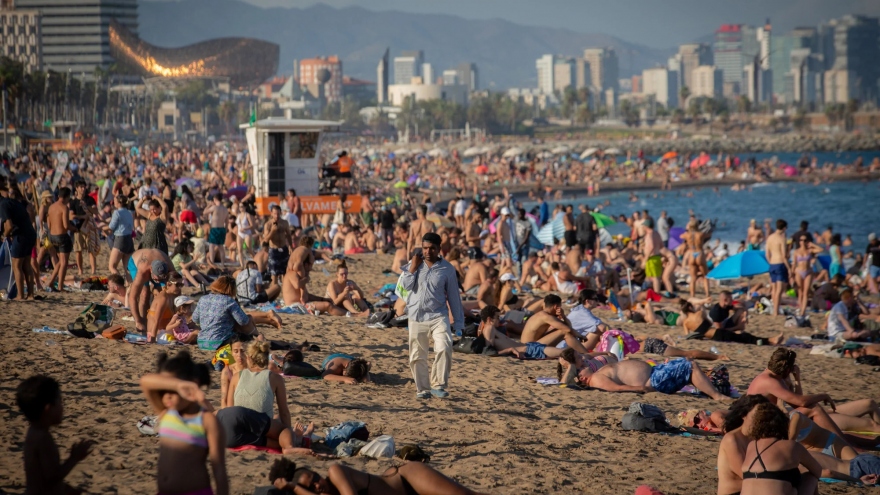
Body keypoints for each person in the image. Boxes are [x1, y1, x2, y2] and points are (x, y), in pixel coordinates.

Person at [139, 351, 229, 495]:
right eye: (164, 390)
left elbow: (219, 470)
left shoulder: (206, 420)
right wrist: (178, 385)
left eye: (172, 390)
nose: (166, 395)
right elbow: (145, 381)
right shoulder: (166, 412)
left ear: (193, 383)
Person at [747, 348, 880, 434]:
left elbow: (797, 403)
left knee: (870, 403)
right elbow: (801, 402)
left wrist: (796, 379)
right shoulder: (769, 381)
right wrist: (824, 395)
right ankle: (845, 443)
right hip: (773, 424)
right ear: (787, 369)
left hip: (793, 415)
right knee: (870, 425)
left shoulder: (776, 377)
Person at [399, 232, 465, 399]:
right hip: (416, 316)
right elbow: (405, 287)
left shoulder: (448, 269)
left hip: (438, 316)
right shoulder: (414, 264)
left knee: (444, 346)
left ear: (439, 249)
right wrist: (412, 267)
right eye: (425, 248)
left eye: (432, 248)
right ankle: (423, 389)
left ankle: (438, 385)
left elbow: (454, 298)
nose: (428, 252)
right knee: (416, 355)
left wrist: (458, 323)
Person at [217, 341, 308, 455]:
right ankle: (292, 442)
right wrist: (288, 432)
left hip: (232, 430)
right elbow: (284, 411)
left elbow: (230, 408)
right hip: (259, 427)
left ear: (249, 358)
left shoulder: (236, 377)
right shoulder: (275, 378)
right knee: (281, 426)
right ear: (266, 358)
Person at [15, 375, 95, 495]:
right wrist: (73, 459)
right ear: (48, 409)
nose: (62, 407)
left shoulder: (33, 433)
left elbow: (41, 478)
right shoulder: (43, 439)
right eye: (60, 402)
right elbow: (51, 478)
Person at [739, 403, 821, 495]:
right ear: (783, 424)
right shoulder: (791, 445)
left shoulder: (752, 445)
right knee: (810, 477)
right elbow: (817, 470)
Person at [582, 356, 731, 402]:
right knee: (689, 365)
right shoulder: (595, 379)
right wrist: (641, 389)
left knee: (685, 362)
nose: (584, 361)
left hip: (655, 372)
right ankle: (717, 396)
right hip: (653, 380)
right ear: (581, 377)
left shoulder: (597, 372)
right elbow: (616, 388)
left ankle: (709, 390)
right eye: (581, 363)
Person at [285, 462, 487, 495]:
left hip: (406, 479)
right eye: (312, 487)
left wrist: (295, 489)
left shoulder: (335, 471)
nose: (319, 484)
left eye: (315, 478)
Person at [193, 276, 262, 352]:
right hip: (221, 342)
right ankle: (260, 338)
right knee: (248, 335)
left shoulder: (203, 298)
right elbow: (243, 321)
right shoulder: (228, 301)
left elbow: (195, 319)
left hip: (202, 343)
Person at [0, 178, 38, 300]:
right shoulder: (12, 202)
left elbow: (9, 225)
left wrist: (4, 235)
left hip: (21, 235)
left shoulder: (3, 205)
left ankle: (20, 295)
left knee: (17, 265)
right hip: (30, 233)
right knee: (27, 264)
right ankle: (31, 294)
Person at [520, 294, 594, 355]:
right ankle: (585, 354)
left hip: (528, 346)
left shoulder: (542, 314)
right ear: (556, 307)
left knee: (560, 330)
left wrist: (563, 316)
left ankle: (583, 353)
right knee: (564, 332)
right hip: (529, 349)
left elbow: (566, 326)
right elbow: (567, 329)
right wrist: (580, 336)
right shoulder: (546, 317)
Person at [127, 249, 176, 333]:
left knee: (165, 293)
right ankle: (143, 325)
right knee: (144, 294)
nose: (158, 280)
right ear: (151, 270)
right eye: (156, 278)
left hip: (158, 257)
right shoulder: (143, 270)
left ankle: (160, 325)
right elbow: (132, 297)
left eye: (161, 278)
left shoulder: (170, 269)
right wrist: (137, 321)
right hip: (134, 262)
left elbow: (176, 291)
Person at [45, 187, 73, 292]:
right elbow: (66, 225)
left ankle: (51, 282)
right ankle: (60, 286)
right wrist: (74, 228)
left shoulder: (51, 207)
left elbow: (49, 223)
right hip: (62, 236)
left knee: (59, 262)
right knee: (64, 262)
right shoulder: (64, 208)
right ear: (66, 197)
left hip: (52, 236)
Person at [147, 272, 184, 342]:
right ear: (168, 284)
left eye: (181, 285)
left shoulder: (172, 296)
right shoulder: (163, 298)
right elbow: (156, 320)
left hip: (165, 333)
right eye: (177, 285)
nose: (179, 288)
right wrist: (152, 340)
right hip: (157, 335)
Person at [105, 195, 135, 283]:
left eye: (115, 201)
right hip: (129, 239)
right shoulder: (129, 212)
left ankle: (120, 284)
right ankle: (130, 286)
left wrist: (100, 228)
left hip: (120, 239)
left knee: (112, 266)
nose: (113, 202)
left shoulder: (117, 212)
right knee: (127, 268)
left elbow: (111, 227)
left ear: (119, 203)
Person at [766, 219, 791, 317]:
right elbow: (784, 256)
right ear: (784, 228)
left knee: (774, 289)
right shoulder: (782, 238)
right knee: (779, 291)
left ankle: (774, 310)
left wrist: (771, 262)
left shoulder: (770, 237)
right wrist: (789, 268)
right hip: (780, 263)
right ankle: (775, 312)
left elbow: (767, 254)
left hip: (772, 264)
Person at [792, 237, 822, 316]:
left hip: (808, 272)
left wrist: (812, 245)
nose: (803, 241)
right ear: (799, 241)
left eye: (805, 240)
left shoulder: (810, 250)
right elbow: (794, 263)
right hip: (799, 271)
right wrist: (791, 274)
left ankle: (803, 312)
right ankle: (800, 308)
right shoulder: (796, 251)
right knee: (800, 292)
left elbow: (821, 249)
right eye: (801, 240)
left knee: (806, 292)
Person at [262, 205, 291, 286]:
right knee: (274, 273)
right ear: (271, 213)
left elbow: (288, 235)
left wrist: (291, 246)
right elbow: (266, 240)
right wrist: (273, 231)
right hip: (273, 250)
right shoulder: (268, 225)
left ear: (280, 213)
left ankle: (285, 289)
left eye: (278, 214)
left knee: (285, 272)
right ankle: (274, 289)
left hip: (283, 248)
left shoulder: (284, 223)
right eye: (275, 214)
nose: (276, 216)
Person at [683, 219, 709, 298]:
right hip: (699, 253)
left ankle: (692, 295)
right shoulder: (700, 234)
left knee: (693, 277)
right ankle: (707, 295)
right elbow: (708, 235)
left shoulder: (686, 235)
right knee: (705, 276)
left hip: (691, 254)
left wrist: (687, 229)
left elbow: (681, 236)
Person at [204, 193, 229, 266]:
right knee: (221, 247)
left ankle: (212, 263)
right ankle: (223, 263)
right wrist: (225, 230)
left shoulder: (215, 207)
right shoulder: (225, 209)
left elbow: (204, 212)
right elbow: (227, 222)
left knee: (211, 246)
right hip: (222, 229)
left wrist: (209, 205)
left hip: (215, 229)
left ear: (215, 199)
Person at [641, 218, 663, 294]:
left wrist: (645, 259)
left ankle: (657, 293)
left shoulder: (649, 235)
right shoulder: (656, 233)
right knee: (651, 276)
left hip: (651, 258)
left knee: (655, 277)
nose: (642, 228)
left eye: (643, 226)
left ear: (646, 226)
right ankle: (648, 291)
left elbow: (651, 246)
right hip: (657, 257)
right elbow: (661, 245)